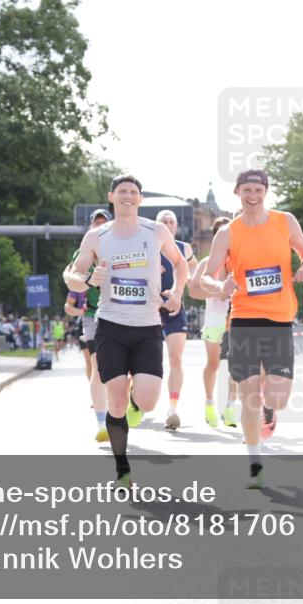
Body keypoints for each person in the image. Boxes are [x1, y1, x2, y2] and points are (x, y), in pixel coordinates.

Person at [63, 175, 188, 487]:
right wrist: (89, 279)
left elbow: (181, 264)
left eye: (134, 192)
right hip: (111, 326)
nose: (128, 196)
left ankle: (136, 401)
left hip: (147, 326)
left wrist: (176, 292)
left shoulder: (156, 230)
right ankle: (122, 469)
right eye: (122, 192)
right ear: (112, 197)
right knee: (114, 399)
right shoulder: (96, 236)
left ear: (140, 199)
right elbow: (73, 276)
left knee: (146, 402)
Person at [200, 170, 303, 488]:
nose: (253, 195)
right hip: (244, 321)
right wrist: (219, 285)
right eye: (247, 189)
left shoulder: (284, 221)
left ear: (266, 191)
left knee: (277, 398)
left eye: (258, 189)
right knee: (249, 394)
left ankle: (270, 408)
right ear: (237, 192)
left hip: (279, 320)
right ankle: (254, 462)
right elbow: (205, 277)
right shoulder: (227, 233)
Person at [66, 208, 112, 442]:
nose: (99, 228)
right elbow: (72, 282)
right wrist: (83, 280)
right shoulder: (81, 254)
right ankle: (102, 423)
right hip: (92, 316)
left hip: (118, 314)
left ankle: (121, 407)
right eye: (96, 224)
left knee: (121, 369)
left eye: (104, 224)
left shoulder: (119, 249)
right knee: (98, 366)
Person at [189, 216, 238, 428]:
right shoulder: (207, 263)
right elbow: (193, 290)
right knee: (213, 363)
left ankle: (229, 408)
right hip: (215, 319)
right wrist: (216, 291)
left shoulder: (239, 260)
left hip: (237, 317)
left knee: (236, 366)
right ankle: (209, 403)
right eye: (219, 232)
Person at [154, 210, 199, 430]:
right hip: (149, 308)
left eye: (172, 222)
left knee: (176, 358)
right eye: (164, 221)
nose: (169, 225)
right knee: (143, 360)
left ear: (177, 226)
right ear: (157, 225)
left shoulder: (184, 248)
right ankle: (134, 397)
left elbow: (193, 265)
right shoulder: (148, 245)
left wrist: (189, 282)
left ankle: (172, 409)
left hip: (174, 308)